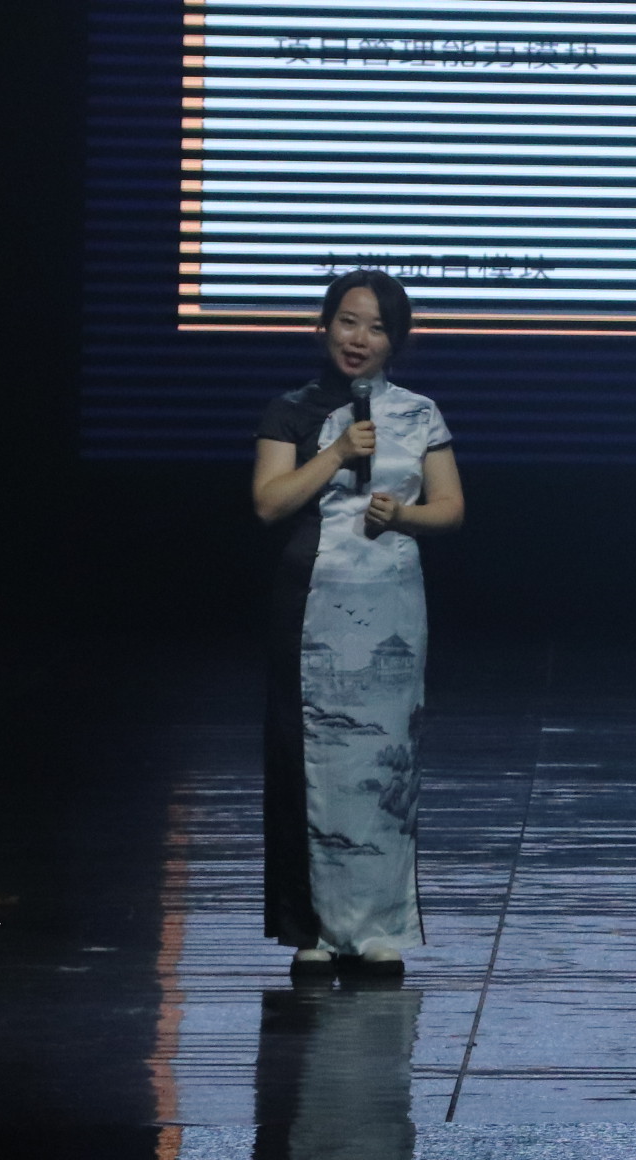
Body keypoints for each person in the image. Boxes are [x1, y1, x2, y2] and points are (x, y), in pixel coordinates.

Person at [250, 271, 464, 972]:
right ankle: (310, 929)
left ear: (396, 341)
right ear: (324, 326)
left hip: (391, 603)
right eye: (348, 321)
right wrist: (338, 453)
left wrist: (403, 515)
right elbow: (269, 502)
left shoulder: (420, 413)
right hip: (309, 603)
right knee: (306, 760)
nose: (359, 338)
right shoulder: (290, 410)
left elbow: (451, 509)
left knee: (383, 762)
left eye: (376, 328)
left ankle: (379, 926)